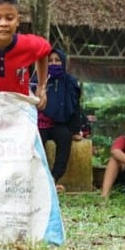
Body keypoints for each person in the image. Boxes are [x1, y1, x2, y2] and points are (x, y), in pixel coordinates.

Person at [37, 48, 83, 190]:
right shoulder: (37, 80)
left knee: (64, 137)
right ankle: (39, 180)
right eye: (49, 61)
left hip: (59, 123)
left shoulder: (70, 82)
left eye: (57, 60)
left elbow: (74, 107)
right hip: (40, 123)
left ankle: (54, 178)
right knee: (37, 143)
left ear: (63, 63)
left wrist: (75, 130)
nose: (53, 63)